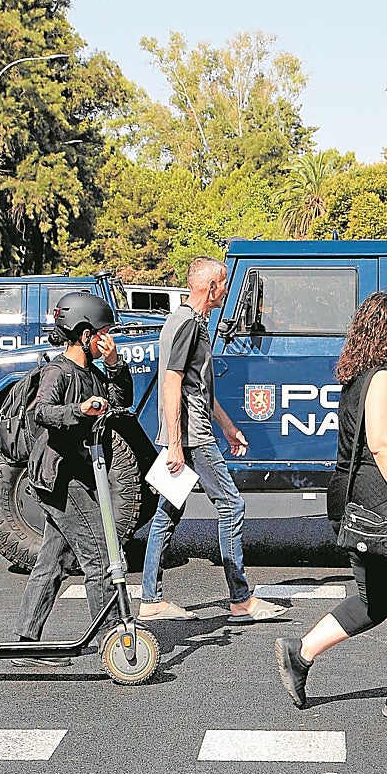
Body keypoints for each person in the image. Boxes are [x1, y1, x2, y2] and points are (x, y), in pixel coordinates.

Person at [275, 291, 387, 719]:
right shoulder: (382, 379)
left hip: (372, 501)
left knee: (375, 598)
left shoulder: (365, 377)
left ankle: (299, 654)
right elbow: (379, 445)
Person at [139, 256, 287, 623]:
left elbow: (196, 385)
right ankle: (241, 599)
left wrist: (227, 424)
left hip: (189, 431)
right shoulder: (188, 324)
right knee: (231, 505)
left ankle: (151, 599)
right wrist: (176, 442)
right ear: (210, 287)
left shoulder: (184, 321)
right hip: (191, 436)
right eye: (222, 282)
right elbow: (172, 382)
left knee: (166, 514)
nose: (226, 288)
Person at [11, 292, 132, 667]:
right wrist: (78, 410)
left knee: (52, 562)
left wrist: (114, 366)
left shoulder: (91, 372)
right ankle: (114, 640)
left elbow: (119, 400)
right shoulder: (58, 371)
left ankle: (26, 642)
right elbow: (42, 411)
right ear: (83, 333)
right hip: (62, 479)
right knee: (100, 556)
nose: (106, 339)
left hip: (74, 475)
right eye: (102, 333)